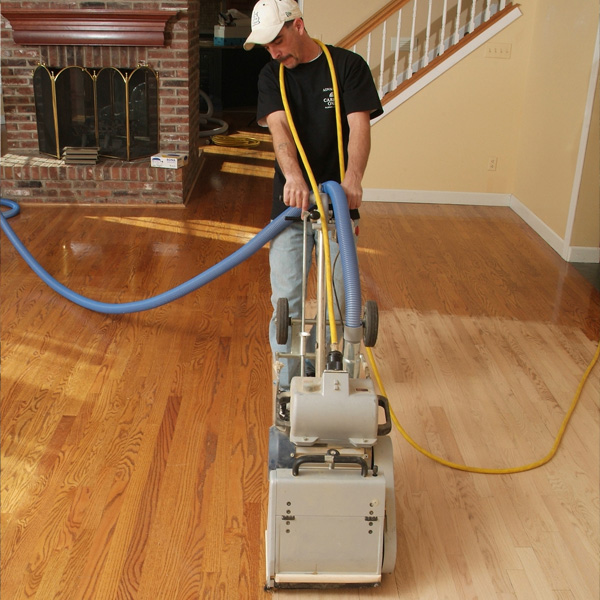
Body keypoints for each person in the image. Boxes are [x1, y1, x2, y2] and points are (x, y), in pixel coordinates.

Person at [244, 0, 383, 388]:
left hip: (338, 200)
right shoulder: (272, 76)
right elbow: (279, 131)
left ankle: (333, 380)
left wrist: (353, 179)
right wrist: (293, 177)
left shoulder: (348, 67)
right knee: (285, 301)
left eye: (278, 40)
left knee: (340, 303)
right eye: (267, 45)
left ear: (299, 26)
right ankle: (286, 389)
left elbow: (360, 129)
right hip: (290, 204)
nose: (274, 51)